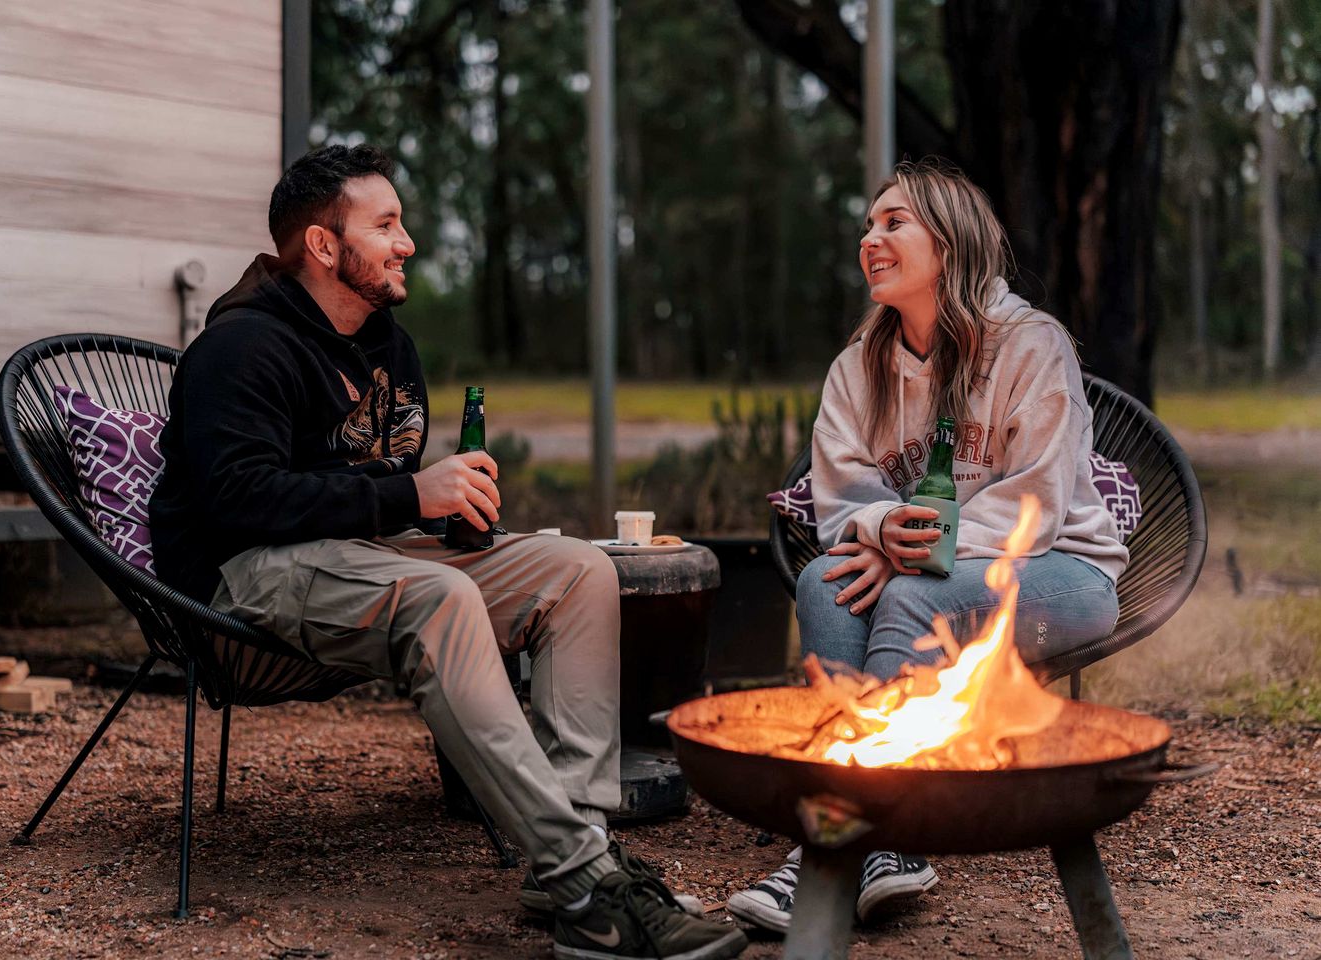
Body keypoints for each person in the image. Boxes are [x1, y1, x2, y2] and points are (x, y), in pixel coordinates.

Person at [149, 144, 747, 960]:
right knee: (442, 599)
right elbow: (239, 500)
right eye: (385, 225)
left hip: (361, 553)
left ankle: (576, 851)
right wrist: (411, 496)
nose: (408, 243)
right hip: (241, 577)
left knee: (578, 571)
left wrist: (447, 508)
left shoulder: (387, 346)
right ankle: (587, 889)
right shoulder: (240, 347)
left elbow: (386, 483)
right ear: (323, 245)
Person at [727, 158, 1128, 933]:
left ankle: (844, 838)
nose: (869, 240)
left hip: (1063, 573)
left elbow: (1037, 506)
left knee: (910, 595)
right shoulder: (859, 366)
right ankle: (883, 840)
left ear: (949, 242)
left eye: (894, 223)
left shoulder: (1030, 344)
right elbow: (841, 490)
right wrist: (881, 529)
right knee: (822, 584)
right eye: (867, 227)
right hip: (930, 571)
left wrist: (909, 551)